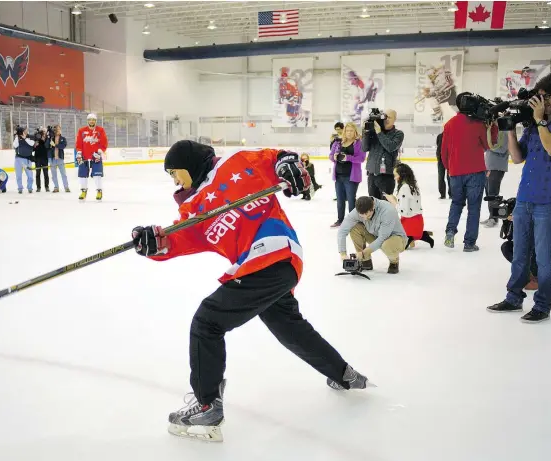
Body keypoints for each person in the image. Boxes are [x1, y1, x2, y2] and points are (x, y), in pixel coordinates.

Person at [131, 140, 373, 442]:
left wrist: (289, 166)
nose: (175, 181)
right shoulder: (193, 208)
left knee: (207, 323)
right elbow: (178, 240)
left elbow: (277, 158)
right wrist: (156, 243)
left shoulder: (236, 162)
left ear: (189, 166)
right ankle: (344, 375)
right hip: (271, 267)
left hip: (272, 253)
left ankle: (207, 405)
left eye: (175, 173)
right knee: (289, 328)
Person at [487, 73, 551, 323]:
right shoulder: (533, 125)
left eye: (546, 97)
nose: (541, 102)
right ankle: (513, 298)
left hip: (550, 199)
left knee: (544, 257)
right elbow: (518, 158)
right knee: (520, 253)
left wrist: (540, 121)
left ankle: (542, 305)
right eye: (538, 97)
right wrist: (510, 130)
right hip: (525, 197)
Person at [441, 92, 495, 252]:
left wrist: (450, 168)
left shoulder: (449, 124)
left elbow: (443, 152)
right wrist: (493, 127)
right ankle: (469, 243)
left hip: (455, 172)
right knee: (474, 208)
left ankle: (450, 231)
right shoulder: (479, 124)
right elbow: (488, 145)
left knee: (456, 203)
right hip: (475, 171)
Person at [337, 196, 407, 274]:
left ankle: (394, 261)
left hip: (395, 238)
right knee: (354, 227)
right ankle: (365, 261)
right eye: (362, 217)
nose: (366, 218)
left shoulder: (387, 210)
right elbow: (342, 230)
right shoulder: (358, 211)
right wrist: (342, 253)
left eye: (368, 216)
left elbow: (382, 238)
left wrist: (363, 253)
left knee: (386, 245)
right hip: (375, 235)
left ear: (373, 206)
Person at [384, 163, 434, 249]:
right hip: (417, 220)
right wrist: (395, 199)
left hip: (410, 221)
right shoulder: (411, 185)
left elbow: (404, 211)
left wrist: (392, 201)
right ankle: (420, 235)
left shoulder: (405, 188)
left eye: (396, 175)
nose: (394, 178)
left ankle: (414, 236)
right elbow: (407, 204)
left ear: (402, 175)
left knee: (397, 244)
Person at [361, 109, 404, 200]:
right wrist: (365, 132)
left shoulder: (398, 134)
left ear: (395, 119)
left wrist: (379, 132)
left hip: (386, 176)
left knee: (385, 206)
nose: (386, 119)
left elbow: (391, 147)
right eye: (385, 116)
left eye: (389, 117)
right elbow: (364, 148)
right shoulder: (373, 132)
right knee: (373, 205)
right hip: (372, 174)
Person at [329, 123, 365, 227]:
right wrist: (334, 157)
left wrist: (348, 158)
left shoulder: (359, 143)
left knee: (351, 200)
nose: (349, 133)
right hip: (339, 176)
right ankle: (340, 220)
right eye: (347, 130)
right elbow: (330, 156)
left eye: (351, 131)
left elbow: (361, 159)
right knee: (340, 200)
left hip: (351, 176)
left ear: (355, 132)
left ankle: (353, 222)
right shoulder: (338, 142)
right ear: (344, 131)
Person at [75, 113, 108, 201]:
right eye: (90, 119)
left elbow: (104, 143)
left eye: (93, 119)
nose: (92, 121)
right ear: (88, 121)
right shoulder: (81, 131)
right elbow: (79, 143)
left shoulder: (100, 130)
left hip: (96, 156)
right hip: (84, 157)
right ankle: (83, 191)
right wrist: (79, 153)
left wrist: (100, 152)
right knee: (82, 175)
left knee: (97, 175)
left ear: (95, 121)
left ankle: (99, 191)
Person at [47, 125, 70, 193]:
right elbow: (46, 146)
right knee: (54, 175)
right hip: (53, 159)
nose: (58, 131)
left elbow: (63, 146)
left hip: (60, 158)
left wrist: (55, 145)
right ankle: (56, 187)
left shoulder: (63, 138)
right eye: (56, 129)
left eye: (59, 129)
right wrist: (49, 138)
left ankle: (66, 187)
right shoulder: (51, 138)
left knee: (63, 174)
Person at [13, 126, 35, 193]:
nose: (25, 131)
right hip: (18, 159)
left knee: (30, 176)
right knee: (18, 175)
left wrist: (25, 138)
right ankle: (20, 188)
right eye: (23, 130)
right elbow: (15, 145)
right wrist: (17, 137)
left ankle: (30, 187)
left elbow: (32, 143)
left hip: (27, 159)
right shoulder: (17, 138)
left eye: (26, 130)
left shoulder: (30, 137)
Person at [34, 127, 50, 192]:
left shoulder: (47, 139)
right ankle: (38, 187)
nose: (43, 132)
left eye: (44, 131)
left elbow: (48, 146)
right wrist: (35, 145)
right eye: (42, 131)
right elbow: (33, 148)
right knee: (38, 174)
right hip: (37, 158)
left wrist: (45, 138)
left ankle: (47, 187)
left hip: (45, 158)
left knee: (46, 173)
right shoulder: (36, 138)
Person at [435, 132, 451, 199]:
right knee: (441, 177)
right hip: (441, 159)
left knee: (449, 177)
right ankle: (443, 194)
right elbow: (438, 145)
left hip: (449, 159)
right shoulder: (440, 136)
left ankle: (451, 194)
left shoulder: (452, 135)